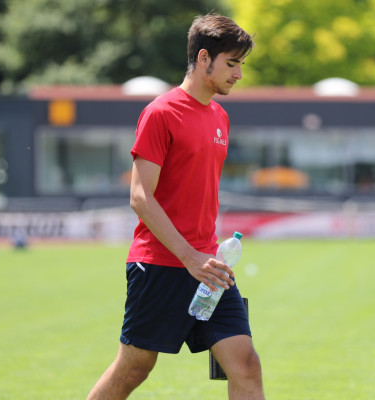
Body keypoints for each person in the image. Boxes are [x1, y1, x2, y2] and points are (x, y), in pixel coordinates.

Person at [87, 14, 263, 400]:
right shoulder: (161, 113)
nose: (238, 74)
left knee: (245, 365)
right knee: (135, 367)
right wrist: (189, 257)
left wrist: (202, 258)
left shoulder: (220, 116)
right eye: (232, 63)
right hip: (160, 264)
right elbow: (140, 196)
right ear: (204, 58)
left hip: (210, 266)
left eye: (241, 65)